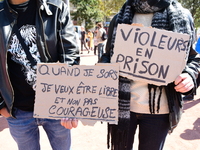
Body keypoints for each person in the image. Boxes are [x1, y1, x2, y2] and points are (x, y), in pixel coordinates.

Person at [99, 0, 200, 150]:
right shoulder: (119, 17)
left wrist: (190, 75)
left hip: (160, 110)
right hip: (122, 107)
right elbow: (108, 55)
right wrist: (103, 70)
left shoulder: (182, 16)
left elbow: (193, 58)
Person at [0, 0, 79, 149]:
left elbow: (70, 56)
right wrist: (1, 106)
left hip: (56, 108)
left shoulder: (55, 8)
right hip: (18, 112)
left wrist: (69, 102)